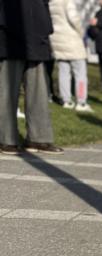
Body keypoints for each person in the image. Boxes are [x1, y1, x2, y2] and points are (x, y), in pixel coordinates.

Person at [0, 0, 64, 155]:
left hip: (36, 39)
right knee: (7, 92)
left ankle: (38, 139)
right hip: (9, 37)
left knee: (39, 93)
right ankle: (6, 140)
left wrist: (46, 28)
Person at [49, 0, 92, 112]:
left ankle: (66, 101)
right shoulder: (67, 1)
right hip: (72, 41)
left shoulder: (51, 3)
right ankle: (81, 102)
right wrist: (82, 33)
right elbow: (73, 18)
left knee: (63, 73)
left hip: (57, 41)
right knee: (80, 74)